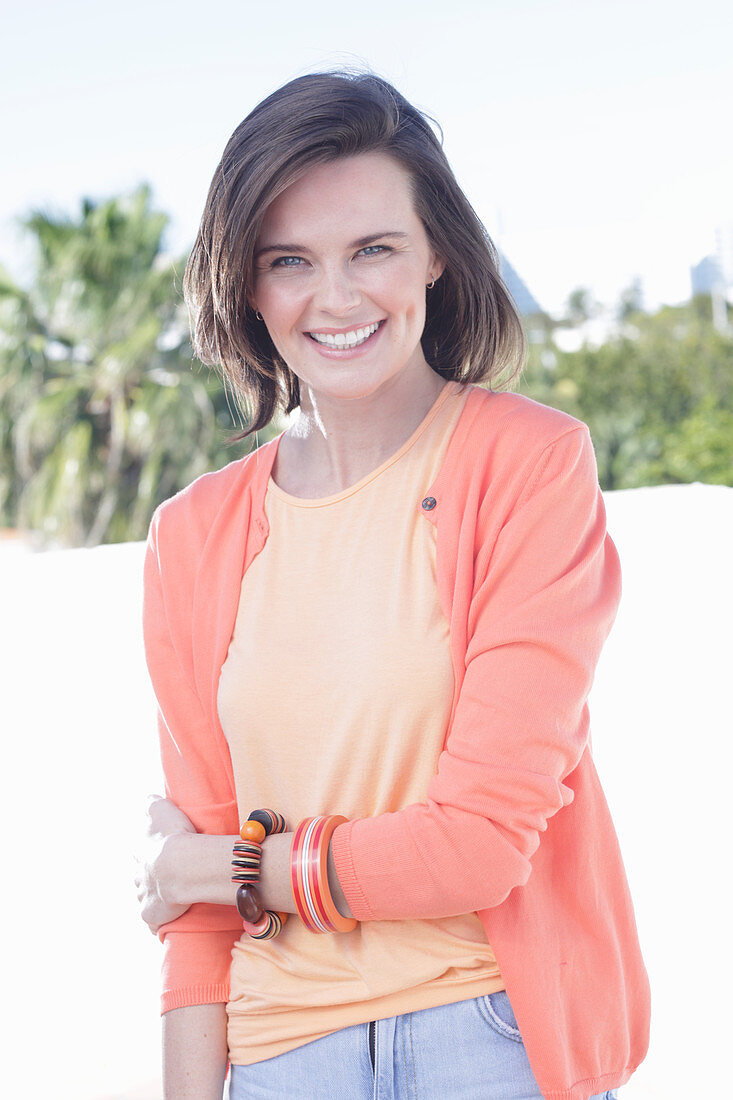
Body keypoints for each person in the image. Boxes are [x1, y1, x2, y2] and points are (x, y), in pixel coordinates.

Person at [136, 71, 650, 1100]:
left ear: (437, 254)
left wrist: (246, 872)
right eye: (290, 260)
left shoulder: (530, 468)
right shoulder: (192, 534)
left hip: (492, 1035)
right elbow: (191, 917)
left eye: (372, 248)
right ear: (245, 284)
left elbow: (476, 843)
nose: (336, 296)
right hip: (278, 1055)